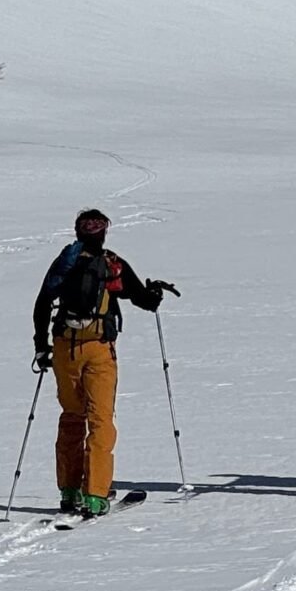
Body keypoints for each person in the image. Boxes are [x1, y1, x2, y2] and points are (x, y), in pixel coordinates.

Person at [32, 208, 174, 518]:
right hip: (99, 348)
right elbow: (143, 299)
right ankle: (95, 493)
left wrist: (40, 347)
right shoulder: (112, 265)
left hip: (64, 348)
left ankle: (69, 490)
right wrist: (154, 294)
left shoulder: (65, 263)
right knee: (101, 419)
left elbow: (43, 303)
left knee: (71, 416)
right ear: (103, 232)